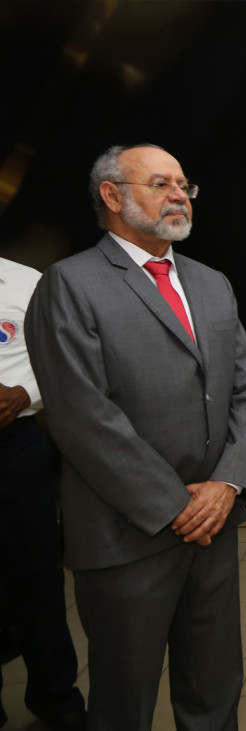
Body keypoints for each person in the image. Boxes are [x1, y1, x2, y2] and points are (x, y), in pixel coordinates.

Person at [24, 144, 246, 731]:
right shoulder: (70, 285)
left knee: (215, 690)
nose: (180, 195)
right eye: (161, 184)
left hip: (213, 525)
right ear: (112, 195)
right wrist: (176, 504)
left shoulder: (210, 284)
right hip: (126, 534)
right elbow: (82, 416)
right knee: (123, 699)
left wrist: (227, 484)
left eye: (184, 185)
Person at [0, 256, 87, 731]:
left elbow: (58, 354)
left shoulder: (26, 281)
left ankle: (56, 698)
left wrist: (23, 392)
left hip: (17, 442)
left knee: (36, 575)